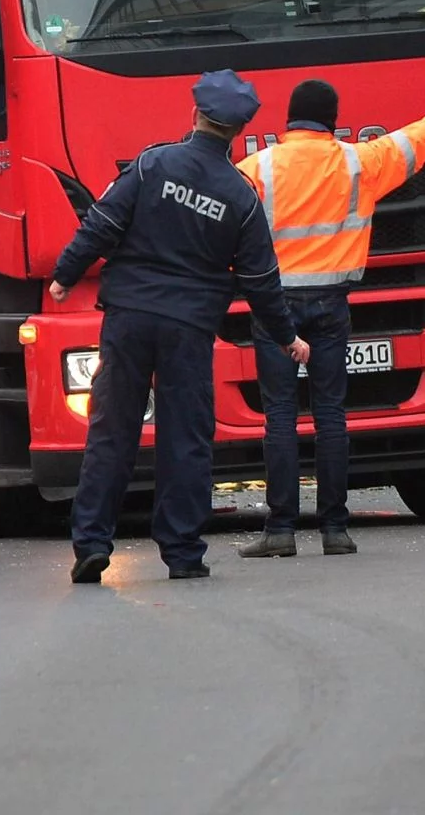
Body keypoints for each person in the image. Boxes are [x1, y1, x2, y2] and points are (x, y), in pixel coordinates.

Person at [234, 80, 425, 559]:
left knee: (280, 417)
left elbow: (221, 222)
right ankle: (335, 530)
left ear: (290, 120)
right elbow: (419, 139)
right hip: (331, 304)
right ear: (332, 120)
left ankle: (280, 531)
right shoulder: (359, 163)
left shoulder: (256, 168)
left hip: (275, 307)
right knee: (330, 415)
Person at [51, 69, 305, 584]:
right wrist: (286, 337)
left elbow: (102, 223)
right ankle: (183, 552)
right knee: (185, 437)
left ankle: (92, 543)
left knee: (112, 430)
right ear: (238, 132)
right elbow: (261, 280)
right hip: (188, 328)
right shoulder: (241, 197)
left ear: (195, 114)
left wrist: (64, 275)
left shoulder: (152, 164)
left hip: (128, 318)